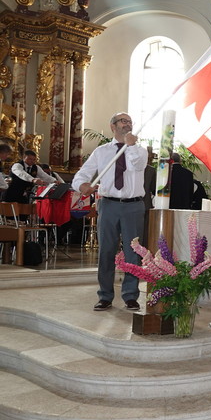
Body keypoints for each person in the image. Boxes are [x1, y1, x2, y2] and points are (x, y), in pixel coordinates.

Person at [72, 112, 148, 312]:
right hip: (109, 205)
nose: (128, 124)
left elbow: (137, 165)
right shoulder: (102, 151)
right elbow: (82, 174)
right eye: (123, 121)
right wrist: (81, 186)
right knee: (106, 250)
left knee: (133, 252)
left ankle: (131, 296)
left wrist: (130, 146)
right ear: (113, 126)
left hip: (133, 205)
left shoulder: (140, 151)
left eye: (130, 121)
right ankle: (105, 295)